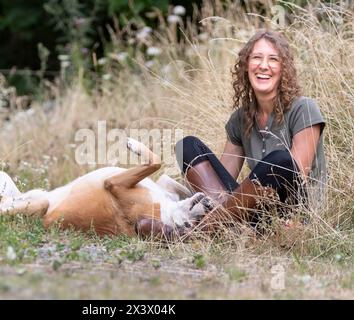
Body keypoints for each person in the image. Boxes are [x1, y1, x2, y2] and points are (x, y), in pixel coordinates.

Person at [136, 29, 326, 238]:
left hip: (292, 214)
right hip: (253, 215)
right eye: (256, 58)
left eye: (273, 59)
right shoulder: (241, 118)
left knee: (280, 161)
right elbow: (221, 187)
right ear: (246, 66)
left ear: (284, 69)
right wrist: (227, 202)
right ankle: (230, 230)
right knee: (187, 146)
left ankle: (191, 233)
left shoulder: (303, 108)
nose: (264, 65)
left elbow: (298, 174)